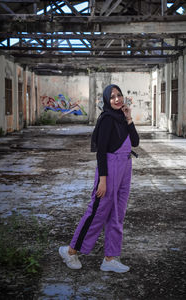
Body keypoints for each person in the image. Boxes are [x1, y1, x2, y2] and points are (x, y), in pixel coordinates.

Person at [59, 84, 139, 273]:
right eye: (112, 97)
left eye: (119, 95)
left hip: (126, 166)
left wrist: (129, 119)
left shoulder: (121, 118)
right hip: (110, 168)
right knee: (97, 211)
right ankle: (70, 251)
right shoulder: (106, 120)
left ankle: (110, 259)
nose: (117, 99)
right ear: (106, 100)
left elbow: (135, 142)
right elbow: (101, 152)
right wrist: (102, 179)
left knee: (118, 213)